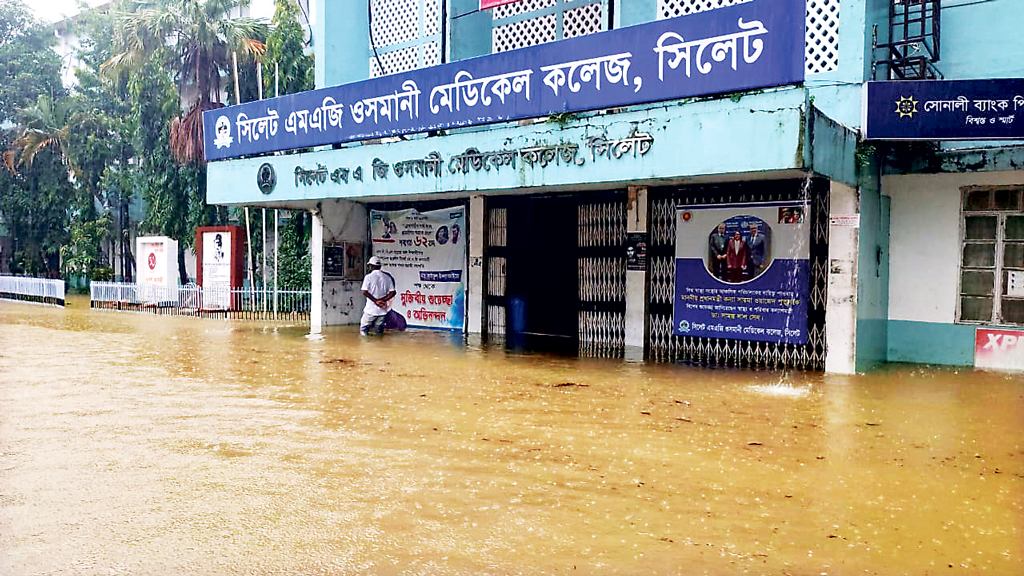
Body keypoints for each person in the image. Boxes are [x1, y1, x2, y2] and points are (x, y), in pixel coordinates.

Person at [360, 256, 396, 335]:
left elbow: (364, 292)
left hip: (370, 310)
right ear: (380, 266)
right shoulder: (387, 277)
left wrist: (376, 301)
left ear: (371, 266)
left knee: (363, 331)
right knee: (379, 333)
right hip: (382, 310)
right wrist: (382, 300)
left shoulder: (368, 277)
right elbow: (393, 292)